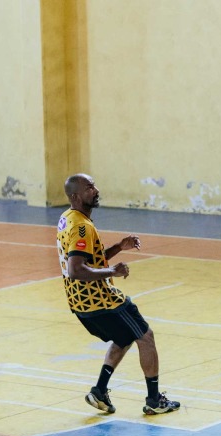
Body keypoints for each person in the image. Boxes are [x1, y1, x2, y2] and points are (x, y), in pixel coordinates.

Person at [57, 173, 180, 415]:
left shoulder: (68, 218)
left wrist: (117, 248)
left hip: (79, 303)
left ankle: (100, 392)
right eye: (88, 187)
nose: (95, 190)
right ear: (75, 196)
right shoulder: (81, 226)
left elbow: (89, 258)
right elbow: (76, 269)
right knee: (146, 336)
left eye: (94, 185)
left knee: (124, 337)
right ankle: (154, 400)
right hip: (99, 300)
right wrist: (112, 270)